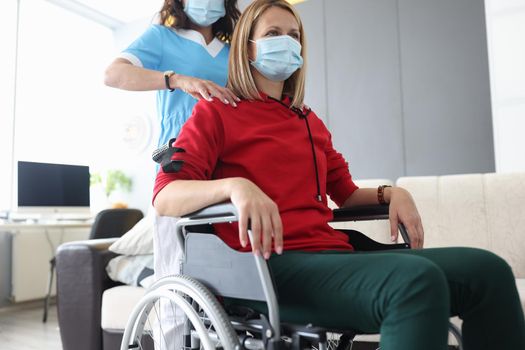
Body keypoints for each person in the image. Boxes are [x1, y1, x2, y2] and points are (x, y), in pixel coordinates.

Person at [152, 0, 525, 349]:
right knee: (414, 283)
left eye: (294, 35)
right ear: (247, 49)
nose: (286, 42)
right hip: (266, 268)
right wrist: (236, 187)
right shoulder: (216, 113)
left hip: (330, 255)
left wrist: (391, 194)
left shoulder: (306, 120)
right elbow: (165, 195)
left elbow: (345, 194)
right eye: (272, 34)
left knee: (487, 271)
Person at [104, 0, 241, 149]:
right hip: (179, 151)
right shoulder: (162, 36)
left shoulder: (234, 54)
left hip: (226, 151)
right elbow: (113, 75)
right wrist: (178, 80)